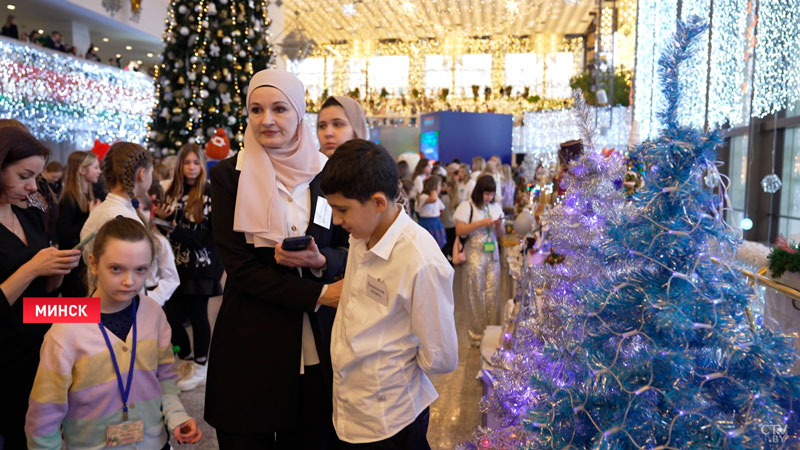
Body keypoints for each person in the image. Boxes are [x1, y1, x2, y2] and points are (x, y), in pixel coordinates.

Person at [206, 69, 349, 449]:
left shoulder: (326, 172)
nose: (267, 120)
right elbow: (239, 267)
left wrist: (323, 264)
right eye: (256, 110)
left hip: (315, 343)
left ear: (299, 113)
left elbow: (349, 249)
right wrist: (318, 294)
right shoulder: (228, 176)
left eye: (279, 109)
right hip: (252, 339)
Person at [320, 139, 458, 449]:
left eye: (342, 210)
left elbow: (441, 355)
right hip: (349, 407)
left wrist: (394, 364)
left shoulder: (420, 260)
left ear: (379, 202)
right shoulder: (362, 235)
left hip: (391, 418)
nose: (337, 220)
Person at [25, 217, 202, 449]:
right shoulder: (66, 330)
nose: (129, 281)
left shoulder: (153, 314)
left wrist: (176, 414)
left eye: (140, 270)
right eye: (116, 269)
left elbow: (165, 379)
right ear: (94, 264)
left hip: (153, 443)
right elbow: (44, 416)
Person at [0, 127, 81, 449]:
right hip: (7, 349)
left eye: (34, 176)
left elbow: (43, 298)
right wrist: (33, 267)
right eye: (24, 176)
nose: (33, 186)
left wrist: (57, 272)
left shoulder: (28, 214)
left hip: (38, 329)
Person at [157, 143, 223, 391]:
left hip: (202, 265)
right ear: (179, 165)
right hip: (173, 265)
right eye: (187, 162)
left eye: (196, 162)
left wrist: (172, 227)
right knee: (171, 316)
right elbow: (162, 229)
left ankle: (201, 364)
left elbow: (205, 238)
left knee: (198, 316)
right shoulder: (170, 193)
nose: (192, 168)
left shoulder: (209, 193)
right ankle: (184, 357)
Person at [80, 142, 179, 306]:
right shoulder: (121, 216)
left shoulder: (102, 210)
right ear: (142, 174)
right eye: (151, 172)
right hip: (120, 304)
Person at [454, 174, 505, 345]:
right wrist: (480, 224)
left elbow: (501, 235)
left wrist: (498, 226)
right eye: (486, 193)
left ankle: (492, 332)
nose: (488, 197)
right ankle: (476, 334)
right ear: (479, 191)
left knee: (493, 293)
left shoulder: (496, 207)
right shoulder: (467, 206)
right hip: (474, 255)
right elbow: (460, 230)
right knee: (475, 293)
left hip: (493, 255)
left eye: (491, 194)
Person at [57, 151, 101, 296]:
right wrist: (91, 216)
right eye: (95, 167)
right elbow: (64, 235)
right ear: (82, 170)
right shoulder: (69, 199)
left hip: (81, 263)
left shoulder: (89, 194)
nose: (99, 171)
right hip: (72, 266)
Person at [415, 175, 447, 248]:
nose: (440, 188)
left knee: (437, 246)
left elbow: (442, 208)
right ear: (434, 187)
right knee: (427, 246)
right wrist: (434, 190)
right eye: (439, 186)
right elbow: (433, 199)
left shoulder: (436, 197)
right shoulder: (423, 196)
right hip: (427, 223)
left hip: (436, 222)